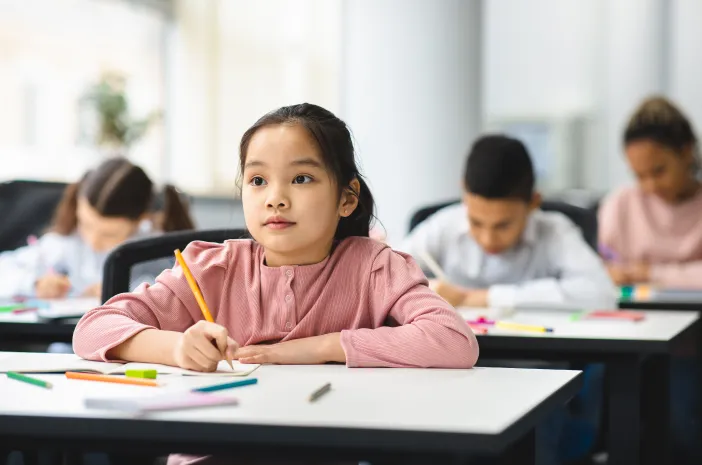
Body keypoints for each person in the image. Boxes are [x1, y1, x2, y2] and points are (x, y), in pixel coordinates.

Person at [73, 103, 479, 465]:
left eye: (301, 179)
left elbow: (453, 340)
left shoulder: (375, 266)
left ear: (347, 197)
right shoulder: (211, 268)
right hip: (215, 453)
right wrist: (178, 347)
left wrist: (318, 348)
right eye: (257, 181)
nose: (276, 198)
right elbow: (93, 329)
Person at [401, 134, 616, 310]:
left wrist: (482, 298)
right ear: (464, 195)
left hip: (537, 353)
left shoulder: (556, 231)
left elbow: (602, 293)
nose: (488, 239)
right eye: (476, 222)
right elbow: (388, 278)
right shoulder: (442, 225)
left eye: (503, 225)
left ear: (534, 202)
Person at [599, 96, 701, 464]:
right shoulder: (621, 204)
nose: (648, 186)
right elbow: (599, 269)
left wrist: (649, 272)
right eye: (638, 175)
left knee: (683, 429)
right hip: (625, 336)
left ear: (686, 152)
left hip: (689, 343)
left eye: (659, 170)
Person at [0, 157, 195, 300]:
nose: (93, 241)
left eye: (109, 235)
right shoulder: (67, 242)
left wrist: (119, 290)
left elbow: (184, 293)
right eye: (86, 225)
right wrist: (35, 284)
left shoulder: (156, 249)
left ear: (141, 219)